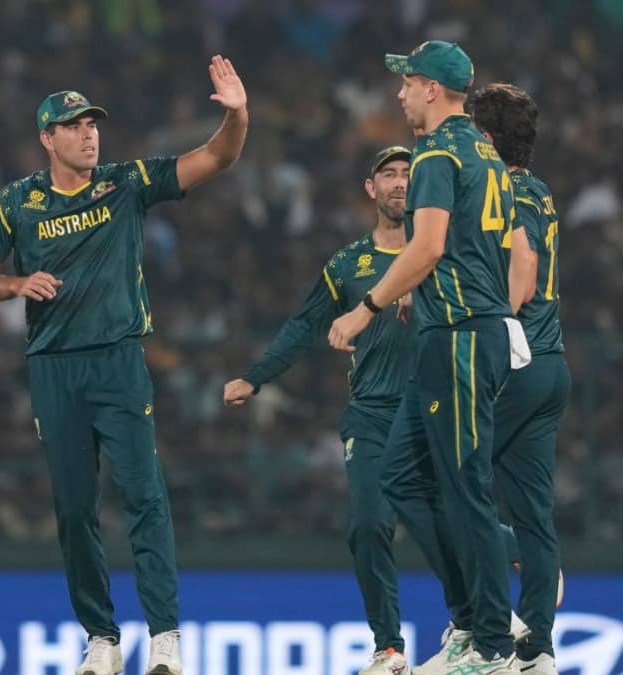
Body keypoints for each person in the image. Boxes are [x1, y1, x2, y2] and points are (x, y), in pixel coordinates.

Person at [0, 55, 248, 675]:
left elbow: (216, 159)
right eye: (74, 125)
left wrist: (237, 115)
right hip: (53, 368)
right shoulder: (17, 201)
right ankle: (101, 638)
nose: (89, 133)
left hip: (118, 361)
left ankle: (164, 636)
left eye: (93, 123)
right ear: (47, 138)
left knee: (145, 496)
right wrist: (15, 285)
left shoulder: (126, 181)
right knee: (73, 509)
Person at [327, 41, 528, 674]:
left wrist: (370, 306)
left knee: (466, 490)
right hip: (453, 331)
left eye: (408, 83)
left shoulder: (437, 152)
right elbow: (494, 247)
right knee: (401, 477)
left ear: (434, 90)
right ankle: (472, 617)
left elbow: (430, 244)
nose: (400, 94)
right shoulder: (487, 155)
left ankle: (495, 645)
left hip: (464, 336)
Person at [225, 146, 415, 674]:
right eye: (389, 175)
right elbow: (303, 326)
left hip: (435, 408)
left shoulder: (440, 252)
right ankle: (390, 649)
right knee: (368, 525)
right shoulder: (347, 263)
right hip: (374, 413)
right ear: (370, 189)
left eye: (409, 174)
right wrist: (255, 377)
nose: (400, 183)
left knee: (454, 521)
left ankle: (512, 576)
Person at [468, 82, 569, 675]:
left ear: (484, 137)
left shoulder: (502, 188)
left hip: (516, 359)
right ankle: (538, 651)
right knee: (533, 509)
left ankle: (490, 618)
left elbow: (523, 269)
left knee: (439, 476)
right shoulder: (540, 188)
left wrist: (493, 324)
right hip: (553, 365)